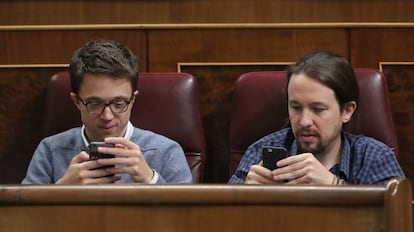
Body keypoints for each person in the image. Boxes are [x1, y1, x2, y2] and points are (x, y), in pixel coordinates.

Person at [22, 39, 192, 184]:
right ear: (76, 101)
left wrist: (151, 179)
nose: (107, 116)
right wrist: (61, 191)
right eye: (94, 104)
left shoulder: (166, 152)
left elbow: (189, 218)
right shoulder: (50, 150)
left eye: (119, 103)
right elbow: (24, 218)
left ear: (132, 100)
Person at [228, 51, 405, 185]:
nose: (304, 121)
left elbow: (396, 220)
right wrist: (246, 197)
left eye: (318, 109)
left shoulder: (374, 158)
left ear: (347, 111)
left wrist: (335, 187)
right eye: (296, 107)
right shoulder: (261, 151)